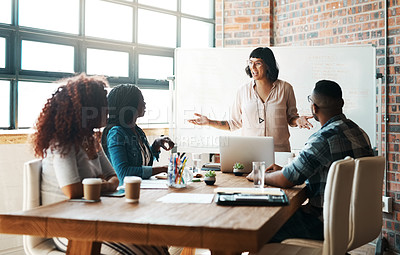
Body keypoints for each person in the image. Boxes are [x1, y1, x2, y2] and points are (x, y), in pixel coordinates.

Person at [31, 74, 170, 254]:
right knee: (146, 251)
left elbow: (113, 177)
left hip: (94, 218)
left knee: (157, 243)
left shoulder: (90, 139)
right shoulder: (62, 142)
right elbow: (72, 189)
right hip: (68, 225)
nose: (108, 109)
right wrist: (106, 185)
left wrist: (102, 184)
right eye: (104, 103)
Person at [247, 80, 374, 242]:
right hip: (356, 221)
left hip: (325, 223)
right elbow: (323, 171)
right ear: (341, 103)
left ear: (313, 108)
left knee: (265, 227)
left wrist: (259, 176)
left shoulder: (322, 138)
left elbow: (288, 179)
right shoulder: (359, 132)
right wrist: (286, 170)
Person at [188, 47, 313, 152]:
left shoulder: (285, 88)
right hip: (251, 153)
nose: (252, 67)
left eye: (258, 63)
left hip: (279, 152)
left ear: (268, 65)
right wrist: (209, 122)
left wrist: (298, 121)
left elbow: (291, 118)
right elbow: (233, 124)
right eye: (250, 62)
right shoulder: (243, 91)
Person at [102, 84, 175, 185]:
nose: (145, 103)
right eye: (141, 100)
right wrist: (162, 169)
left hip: (143, 188)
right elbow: (123, 173)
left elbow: (141, 163)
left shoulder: (137, 131)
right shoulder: (116, 133)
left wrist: (155, 146)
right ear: (130, 104)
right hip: (127, 192)